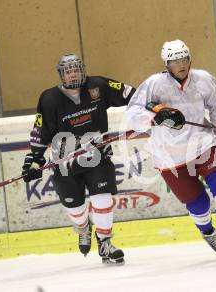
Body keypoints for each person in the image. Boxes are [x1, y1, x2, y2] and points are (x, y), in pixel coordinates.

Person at [126, 39, 216, 260]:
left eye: (184, 60)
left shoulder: (202, 79)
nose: (181, 65)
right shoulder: (154, 84)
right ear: (167, 64)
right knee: (198, 202)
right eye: (175, 62)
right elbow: (134, 114)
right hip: (168, 155)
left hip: (202, 144)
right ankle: (208, 232)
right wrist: (156, 116)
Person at [22, 53, 136, 265]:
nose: (73, 73)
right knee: (75, 209)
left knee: (102, 198)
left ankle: (105, 242)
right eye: (69, 70)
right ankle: (83, 228)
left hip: (97, 157)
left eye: (76, 69)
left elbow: (133, 95)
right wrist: (34, 160)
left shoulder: (98, 86)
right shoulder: (49, 99)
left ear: (83, 70)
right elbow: (40, 130)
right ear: (61, 75)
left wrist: (153, 110)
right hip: (65, 163)